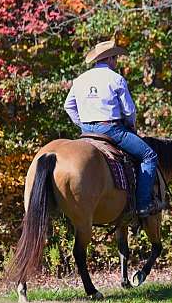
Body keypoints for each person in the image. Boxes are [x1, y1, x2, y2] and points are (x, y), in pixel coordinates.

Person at [64, 40, 159, 218]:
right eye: (115, 58)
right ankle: (143, 204)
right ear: (109, 59)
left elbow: (68, 106)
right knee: (149, 156)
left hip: (86, 131)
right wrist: (131, 125)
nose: (116, 62)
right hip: (111, 130)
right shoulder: (116, 79)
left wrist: (82, 124)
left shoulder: (79, 80)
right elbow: (129, 111)